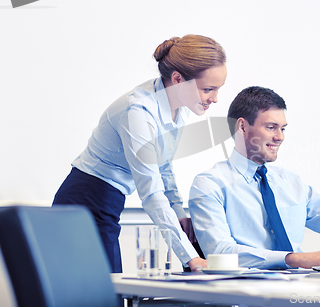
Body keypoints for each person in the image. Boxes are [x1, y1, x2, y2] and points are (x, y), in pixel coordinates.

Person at [53, 34, 227, 272]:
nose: (215, 99)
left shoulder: (179, 107)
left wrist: (178, 213)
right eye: (208, 89)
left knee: (110, 292)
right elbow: (151, 192)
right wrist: (190, 258)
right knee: (104, 294)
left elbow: (163, 166)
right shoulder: (138, 111)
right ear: (178, 79)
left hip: (108, 201)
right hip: (85, 198)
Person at [189, 86, 320, 269]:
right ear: (242, 127)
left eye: (282, 129)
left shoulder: (290, 182)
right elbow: (220, 253)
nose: (280, 137)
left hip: (299, 290)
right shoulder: (209, 184)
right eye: (271, 127)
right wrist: (294, 259)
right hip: (247, 294)